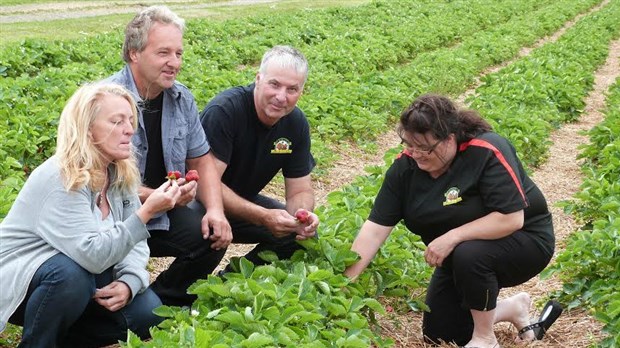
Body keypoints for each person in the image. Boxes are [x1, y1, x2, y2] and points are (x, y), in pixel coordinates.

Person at [344, 94, 561, 348]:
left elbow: (511, 219)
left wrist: (452, 237)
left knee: (469, 253)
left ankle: (485, 338)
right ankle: (512, 309)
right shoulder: (405, 169)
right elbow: (374, 230)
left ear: (449, 139)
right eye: (409, 144)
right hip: (458, 257)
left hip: (525, 241)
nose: (416, 154)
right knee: (440, 334)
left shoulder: (485, 151)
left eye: (425, 148)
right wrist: (343, 285)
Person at [0, 83, 181, 347]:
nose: (130, 129)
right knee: (71, 275)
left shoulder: (118, 172)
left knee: (147, 313)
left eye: (130, 120)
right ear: (87, 129)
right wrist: (146, 212)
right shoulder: (62, 176)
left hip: (81, 281)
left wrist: (130, 281)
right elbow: (92, 256)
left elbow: (136, 243)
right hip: (21, 281)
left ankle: (65, 336)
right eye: (116, 121)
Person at [105, 5, 232, 306]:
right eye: (164, 53)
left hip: (160, 212)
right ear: (134, 53)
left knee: (211, 236)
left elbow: (201, 160)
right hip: (112, 218)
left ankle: (161, 302)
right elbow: (96, 186)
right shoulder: (105, 100)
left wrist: (215, 210)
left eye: (178, 53)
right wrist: (157, 196)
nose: (174, 63)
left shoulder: (181, 98)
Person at [199, 45, 319, 271]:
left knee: (295, 237)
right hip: (201, 201)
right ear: (258, 79)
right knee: (213, 231)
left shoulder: (295, 124)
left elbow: (300, 190)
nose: (281, 97)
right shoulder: (226, 111)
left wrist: (301, 217)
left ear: (301, 91)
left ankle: (231, 285)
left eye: (292, 89)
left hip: (241, 200)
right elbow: (206, 184)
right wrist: (263, 216)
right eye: (274, 84)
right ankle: (173, 296)